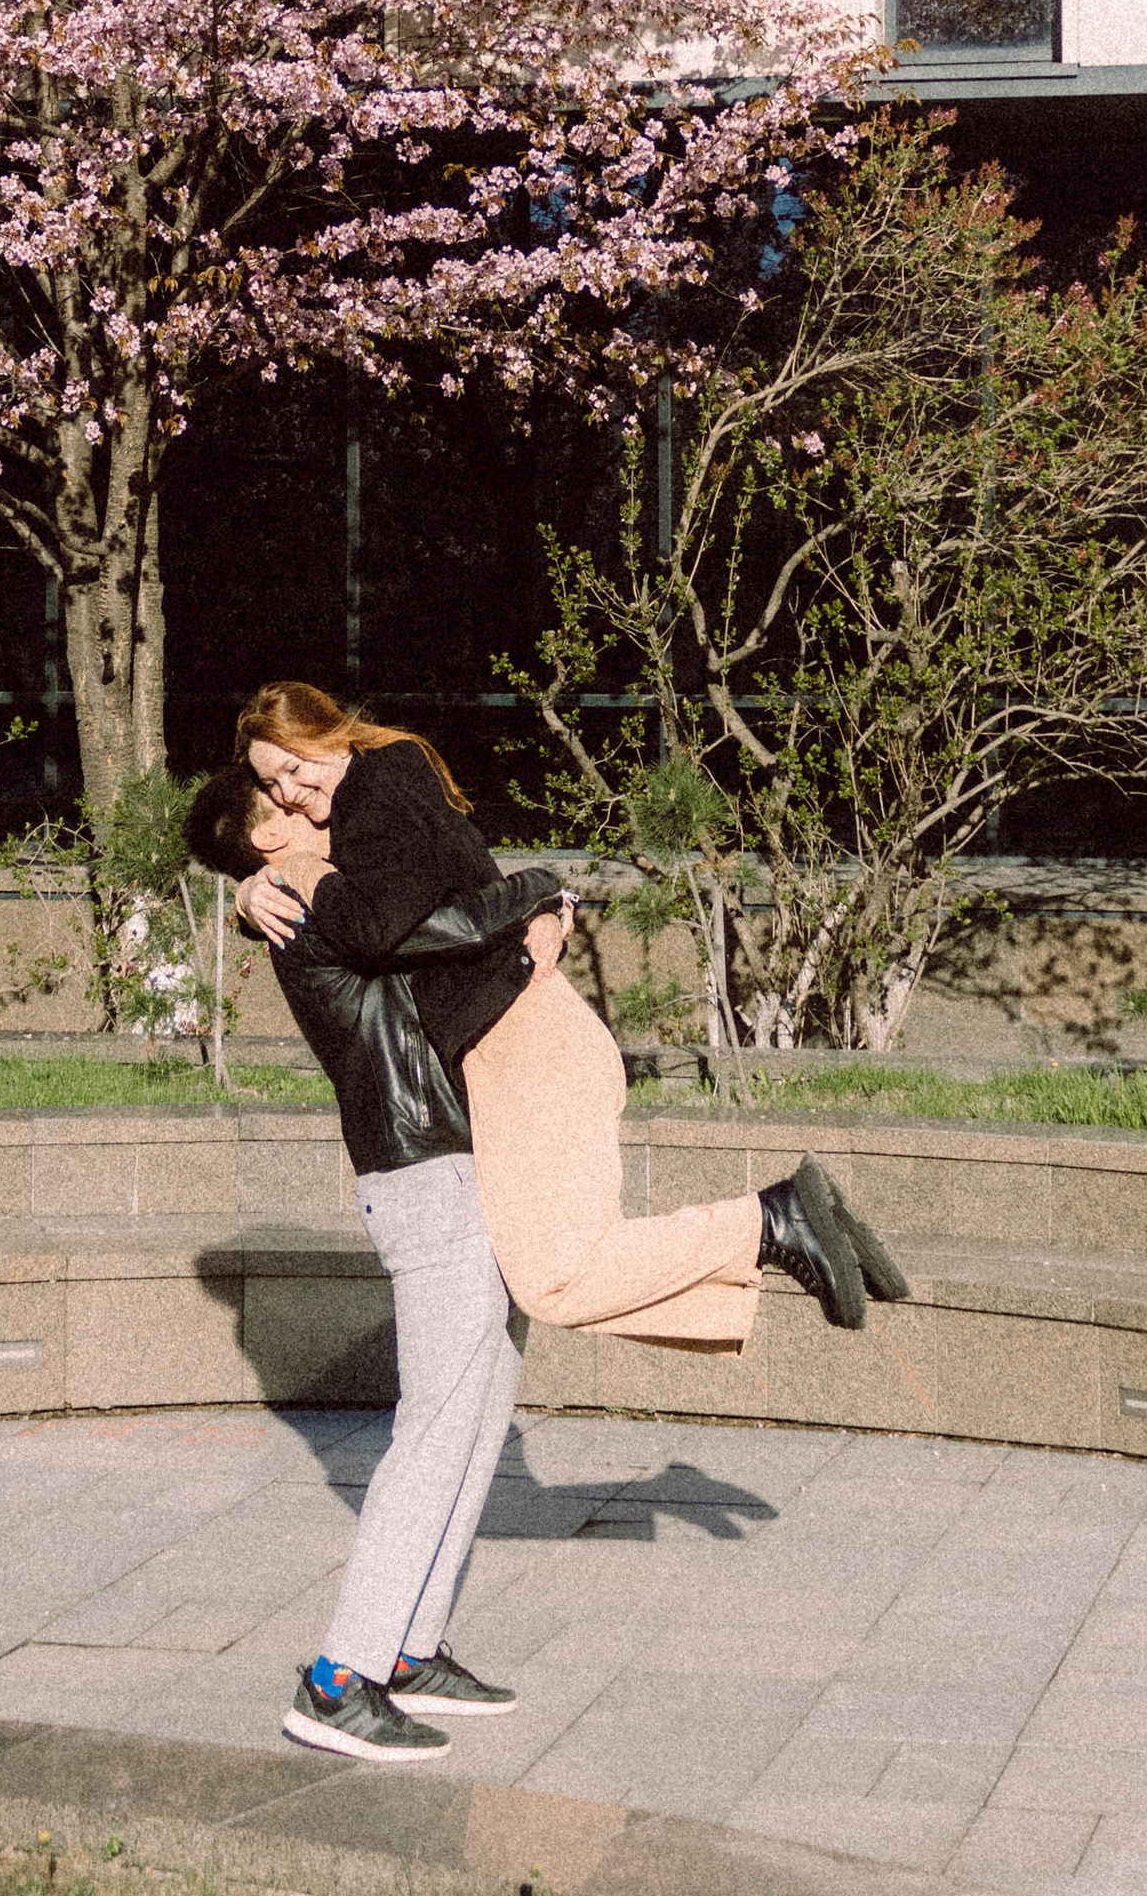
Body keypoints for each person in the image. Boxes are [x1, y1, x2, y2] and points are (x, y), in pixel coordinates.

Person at [230, 680, 909, 1350]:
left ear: (328, 733)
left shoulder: (376, 790)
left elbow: (372, 928)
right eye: (274, 785)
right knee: (548, 1277)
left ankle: (771, 1224)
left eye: (294, 766)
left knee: (552, 1280)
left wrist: (294, 869)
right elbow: (426, 910)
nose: (291, 791)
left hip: (526, 1039)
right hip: (513, 1044)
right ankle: (783, 1232)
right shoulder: (369, 807)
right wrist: (253, 889)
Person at [185, 757, 568, 1767]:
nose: (320, 807)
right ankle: (336, 1678)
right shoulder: (307, 910)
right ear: (267, 838)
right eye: (292, 802)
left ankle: (407, 1649)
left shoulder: (300, 895)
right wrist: (541, 897)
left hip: (454, 1156)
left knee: (481, 1409)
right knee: (436, 1425)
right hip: (421, 1173)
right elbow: (438, 929)